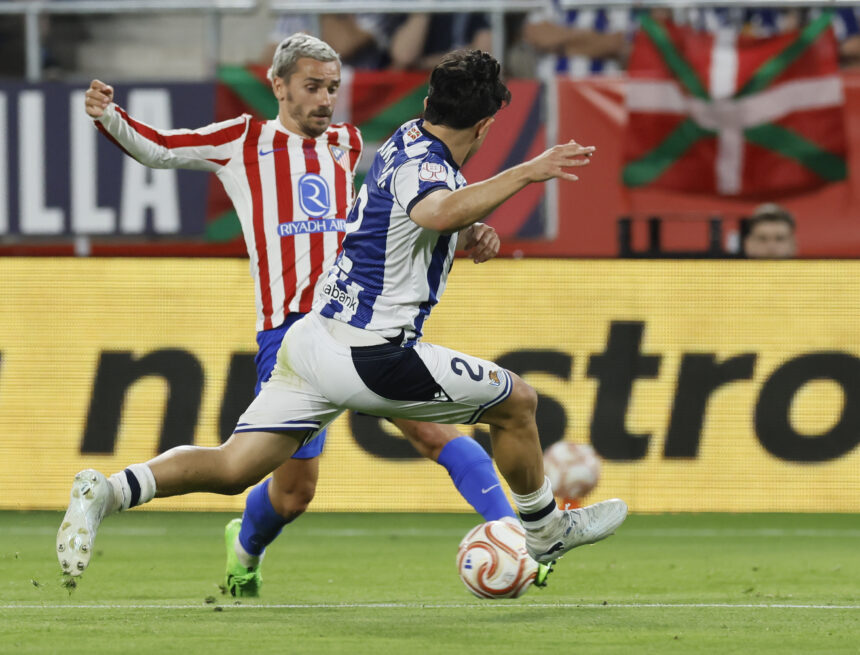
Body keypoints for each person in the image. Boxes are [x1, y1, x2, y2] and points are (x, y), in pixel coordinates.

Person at [58, 48, 627, 586]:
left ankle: (107, 491)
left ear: (429, 103)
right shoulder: (410, 164)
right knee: (518, 402)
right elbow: (433, 207)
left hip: (312, 339)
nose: (326, 98)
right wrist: (527, 172)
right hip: (370, 351)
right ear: (483, 127)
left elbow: (407, 217)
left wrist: (464, 230)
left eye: (332, 87)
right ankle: (545, 528)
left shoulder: (394, 138)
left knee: (236, 469)